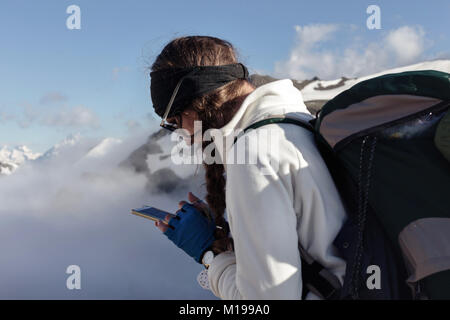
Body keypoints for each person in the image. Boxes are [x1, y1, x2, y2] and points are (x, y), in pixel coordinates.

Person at [149, 35, 347, 299]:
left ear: (196, 104)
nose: (180, 133)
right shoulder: (296, 122)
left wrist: (210, 255)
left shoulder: (252, 153)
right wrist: (240, 237)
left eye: (173, 120)